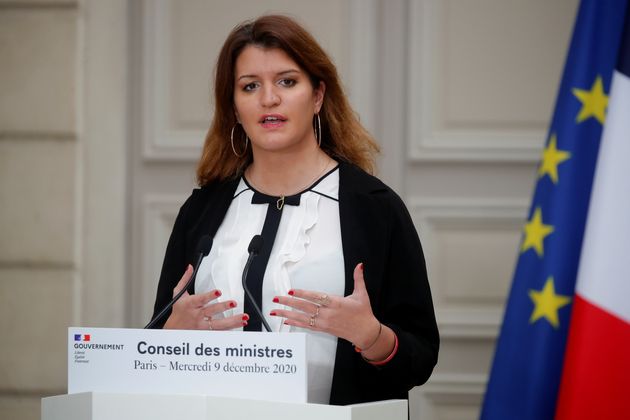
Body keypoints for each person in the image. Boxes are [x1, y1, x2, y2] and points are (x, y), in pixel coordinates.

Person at [151, 14, 439, 406]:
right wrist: (168, 337)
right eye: (250, 86)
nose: (269, 99)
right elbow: (154, 346)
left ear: (318, 95)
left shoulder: (375, 209)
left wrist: (369, 335)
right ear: (234, 108)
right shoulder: (202, 211)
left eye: (287, 82)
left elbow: (419, 357)